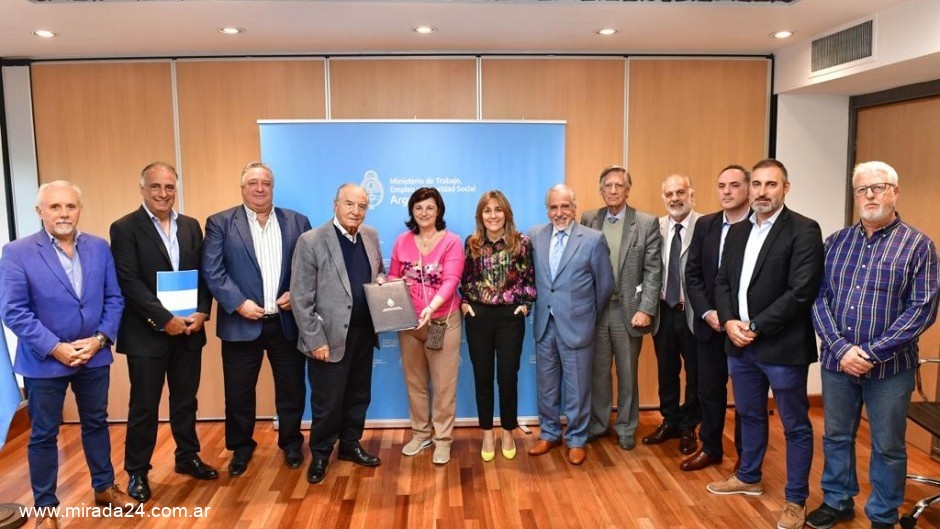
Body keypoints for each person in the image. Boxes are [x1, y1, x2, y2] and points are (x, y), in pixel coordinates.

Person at [807, 161, 939, 529]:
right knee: (836, 436)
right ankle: (837, 501)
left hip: (891, 370)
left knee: (888, 446)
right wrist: (840, 348)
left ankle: (883, 515)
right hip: (838, 364)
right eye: (862, 189)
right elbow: (818, 298)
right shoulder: (835, 242)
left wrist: (870, 353)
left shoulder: (919, 246)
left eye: (878, 188)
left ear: (895, 192)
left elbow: (922, 310)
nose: (869, 195)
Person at [0, 181, 135, 529]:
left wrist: (100, 339)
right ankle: (46, 507)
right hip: (44, 361)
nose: (64, 214)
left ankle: (104, 488)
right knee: (44, 434)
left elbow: (114, 298)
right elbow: (14, 311)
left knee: (96, 423)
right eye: (55, 207)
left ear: (79, 209)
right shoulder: (17, 252)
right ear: (39, 211)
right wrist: (55, 347)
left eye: (70, 206)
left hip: (94, 355)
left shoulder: (99, 247)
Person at [708, 159, 824, 529]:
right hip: (739, 345)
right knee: (749, 414)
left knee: (795, 426)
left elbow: (801, 291)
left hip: (782, 348)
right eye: (756, 184)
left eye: (770, 184)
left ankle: (795, 500)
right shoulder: (738, 231)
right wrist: (729, 321)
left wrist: (755, 326)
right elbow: (722, 282)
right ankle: (749, 476)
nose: (762, 192)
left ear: (785, 188)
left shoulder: (804, 230)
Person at [109, 162, 217, 503]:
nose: (163, 193)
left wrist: (203, 310)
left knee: (185, 400)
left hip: (189, 331)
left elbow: (204, 273)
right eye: (155, 186)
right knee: (144, 406)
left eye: (169, 187)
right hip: (147, 334)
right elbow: (129, 281)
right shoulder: (124, 228)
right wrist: (163, 318)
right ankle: (137, 471)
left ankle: (187, 456)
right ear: (142, 189)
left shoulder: (190, 226)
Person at [202, 161, 311, 477]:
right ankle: (241, 448)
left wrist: (295, 291)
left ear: (272, 187)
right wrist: (238, 304)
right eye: (252, 183)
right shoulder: (221, 223)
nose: (259, 188)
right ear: (242, 188)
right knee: (238, 393)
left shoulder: (297, 222)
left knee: (291, 389)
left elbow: (309, 267)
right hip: (241, 323)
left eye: (265, 183)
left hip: (285, 322)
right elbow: (213, 270)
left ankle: (291, 443)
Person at [290, 184, 385, 484]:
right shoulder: (311, 240)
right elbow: (300, 298)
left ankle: (349, 445)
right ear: (335, 204)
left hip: (363, 334)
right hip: (327, 339)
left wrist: (382, 281)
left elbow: (379, 270)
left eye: (362, 206)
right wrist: (315, 339)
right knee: (327, 402)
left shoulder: (370, 235)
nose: (356, 211)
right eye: (349, 204)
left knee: (358, 396)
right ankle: (320, 453)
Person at [527, 184, 614, 465]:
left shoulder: (592, 239)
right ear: (547, 210)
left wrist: (585, 314)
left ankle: (577, 439)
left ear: (574, 208)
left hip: (577, 326)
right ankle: (549, 433)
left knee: (578, 387)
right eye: (554, 207)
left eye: (565, 206)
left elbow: (605, 286)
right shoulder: (535, 236)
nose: (559, 212)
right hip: (544, 324)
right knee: (546, 385)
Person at [581, 166, 661, 451]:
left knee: (627, 374)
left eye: (619, 185)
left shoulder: (645, 222)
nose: (613, 190)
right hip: (596, 310)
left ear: (628, 189)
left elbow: (653, 270)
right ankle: (599, 424)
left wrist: (647, 309)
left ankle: (626, 427)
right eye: (608, 186)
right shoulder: (589, 219)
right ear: (601, 189)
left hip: (628, 311)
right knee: (598, 373)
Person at [389, 187, 465, 465]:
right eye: (419, 208)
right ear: (412, 211)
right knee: (416, 383)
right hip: (409, 324)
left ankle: (443, 440)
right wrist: (388, 284)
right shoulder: (402, 241)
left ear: (438, 211)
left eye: (430, 207)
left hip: (441, 322)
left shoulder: (452, 241)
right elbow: (393, 275)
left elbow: (452, 280)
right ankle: (421, 434)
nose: (424, 213)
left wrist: (431, 308)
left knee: (444, 386)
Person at [682, 164, 749, 472]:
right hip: (710, 326)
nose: (727, 191)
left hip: (746, 329)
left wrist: (740, 320)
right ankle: (710, 447)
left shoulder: (759, 226)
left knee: (747, 396)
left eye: (734, 185)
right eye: (722, 186)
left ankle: (747, 457)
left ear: (747, 188)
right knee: (708, 390)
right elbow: (692, 274)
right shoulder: (706, 225)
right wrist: (708, 312)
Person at [460, 190, 536, 461]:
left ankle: (507, 431)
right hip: (478, 316)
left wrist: (525, 304)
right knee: (482, 377)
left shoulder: (521, 243)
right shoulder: (472, 243)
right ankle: (487, 434)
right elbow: (466, 279)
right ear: (480, 215)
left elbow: (529, 278)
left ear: (506, 213)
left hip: (509, 317)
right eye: (487, 210)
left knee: (507, 377)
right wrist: (465, 303)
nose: (493, 215)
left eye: (498, 210)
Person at [643, 174, 701, 455]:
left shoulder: (705, 226)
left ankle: (689, 425)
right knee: (666, 371)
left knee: (695, 373)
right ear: (663, 197)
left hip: (693, 313)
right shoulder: (656, 227)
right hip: (664, 311)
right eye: (669, 194)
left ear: (691, 195)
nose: (675, 198)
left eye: (680, 192)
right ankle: (670, 421)